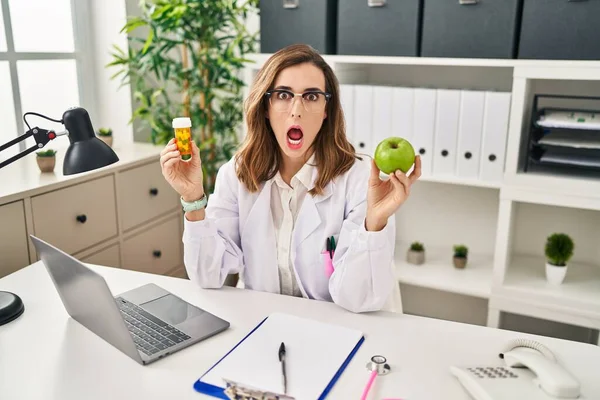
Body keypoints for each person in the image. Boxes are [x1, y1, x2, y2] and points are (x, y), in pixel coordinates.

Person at [160, 44, 421, 313]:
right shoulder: (236, 173)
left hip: (335, 329)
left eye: (311, 97)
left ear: (326, 110)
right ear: (265, 106)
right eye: (283, 95)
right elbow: (207, 275)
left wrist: (374, 224)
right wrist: (193, 199)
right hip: (263, 324)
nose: (296, 110)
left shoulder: (360, 178)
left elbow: (358, 299)